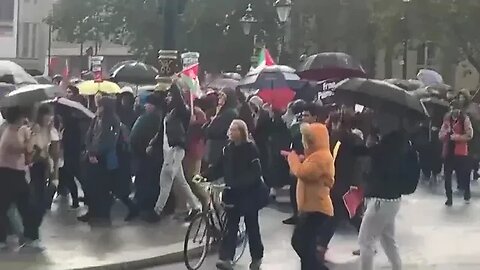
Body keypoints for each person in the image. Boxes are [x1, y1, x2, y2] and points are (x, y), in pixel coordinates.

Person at [201, 119, 268, 270]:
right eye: (230, 129)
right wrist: (203, 176)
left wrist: (238, 183)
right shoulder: (227, 149)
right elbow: (218, 168)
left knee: (252, 226)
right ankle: (226, 258)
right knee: (231, 226)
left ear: (242, 132)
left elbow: (255, 173)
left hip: (250, 194)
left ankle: (257, 257)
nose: (230, 132)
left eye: (234, 130)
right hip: (233, 193)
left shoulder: (251, 149)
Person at [351, 113, 409, 270]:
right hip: (393, 200)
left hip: (379, 201)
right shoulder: (401, 147)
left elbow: (359, 153)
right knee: (388, 240)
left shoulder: (384, 148)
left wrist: (368, 143)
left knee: (365, 241)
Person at [287, 122, 335, 270]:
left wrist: (293, 160)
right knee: (305, 243)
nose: (306, 143)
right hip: (311, 207)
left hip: (317, 208)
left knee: (301, 242)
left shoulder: (321, 157)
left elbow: (304, 172)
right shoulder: (316, 155)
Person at [154, 84, 201, 221]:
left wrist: (175, 85)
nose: (168, 98)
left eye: (170, 95)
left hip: (175, 150)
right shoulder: (170, 112)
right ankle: (196, 207)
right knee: (181, 182)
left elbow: (180, 103)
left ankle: (157, 210)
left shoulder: (181, 111)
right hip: (168, 150)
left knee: (166, 179)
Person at [0, 107, 40, 250]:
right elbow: (25, 149)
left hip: (16, 173)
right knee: (6, 207)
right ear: (17, 118)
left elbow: (27, 155)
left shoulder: (15, 131)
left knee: (26, 206)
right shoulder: (10, 133)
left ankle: (30, 236)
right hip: (7, 174)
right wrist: (33, 135)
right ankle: (5, 238)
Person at [81, 96, 120, 223]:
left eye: (100, 106)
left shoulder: (113, 121)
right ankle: (92, 211)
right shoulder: (96, 119)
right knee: (91, 186)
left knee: (102, 187)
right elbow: (89, 135)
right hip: (92, 155)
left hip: (103, 158)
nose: (98, 109)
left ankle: (103, 213)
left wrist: (96, 153)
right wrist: (90, 150)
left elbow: (109, 141)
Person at [130, 93, 165, 222]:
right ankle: (141, 204)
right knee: (142, 179)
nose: (145, 106)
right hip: (142, 153)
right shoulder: (149, 116)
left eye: (148, 104)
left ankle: (146, 207)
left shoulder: (154, 118)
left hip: (147, 154)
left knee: (147, 181)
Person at [439, 100, 474, 206]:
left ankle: (467, 191)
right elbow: (440, 135)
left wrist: (457, 137)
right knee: (447, 176)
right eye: (452, 108)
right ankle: (449, 197)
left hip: (460, 152)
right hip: (448, 151)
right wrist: (445, 133)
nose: (454, 111)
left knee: (463, 174)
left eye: (456, 109)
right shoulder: (447, 119)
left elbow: (469, 135)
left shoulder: (464, 119)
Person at [204, 88, 238, 166]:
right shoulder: (222, 111)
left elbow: (213, 131)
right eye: (219, 95)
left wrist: (214, 120)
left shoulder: (230, 113)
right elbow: (205, 130)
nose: (219, 97)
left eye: (222, 95)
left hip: (220, 149)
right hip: (215, 150)